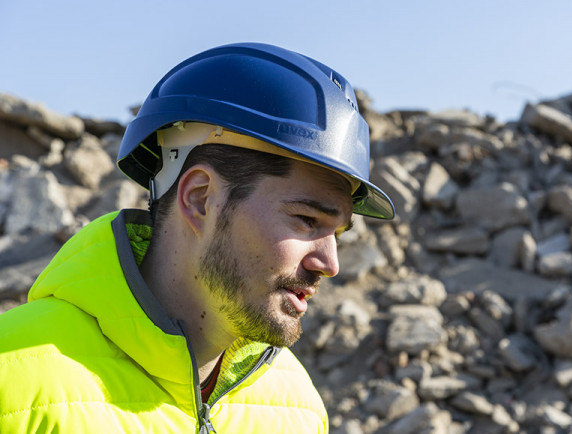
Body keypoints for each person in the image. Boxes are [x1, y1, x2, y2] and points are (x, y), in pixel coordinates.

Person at [0, 42, 394, 433]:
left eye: (337, 233)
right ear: (200, 198)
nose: (330, 263)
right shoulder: (14, 377)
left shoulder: (299, 408)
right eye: (307, 220)